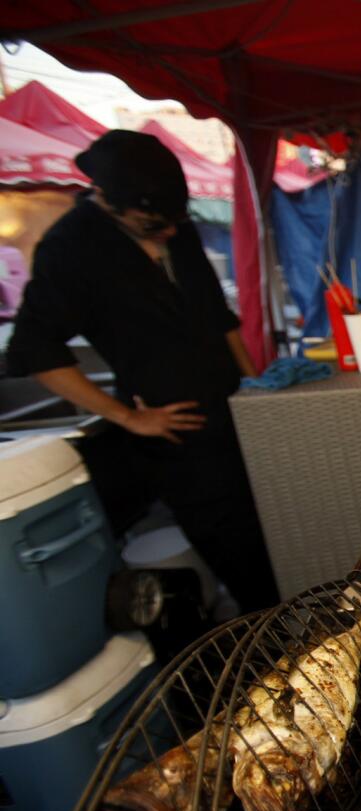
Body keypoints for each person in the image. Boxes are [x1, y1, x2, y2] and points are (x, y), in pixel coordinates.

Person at [5, 130, 280, 613]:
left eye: (176, 220)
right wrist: (128, 418)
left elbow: (221, 321)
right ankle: (276, 650)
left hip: (240, 416)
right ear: (107, 200)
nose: (169, 232)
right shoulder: (71, 247)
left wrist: (257, 390)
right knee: (244, 563)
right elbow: (36, 350)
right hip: (181, 437)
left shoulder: (178, 228)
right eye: (153, 222)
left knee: (279, 534)